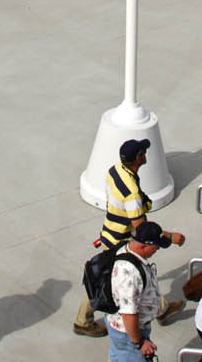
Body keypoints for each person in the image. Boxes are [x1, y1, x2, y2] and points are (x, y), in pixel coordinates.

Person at [72, 138, 186, 336]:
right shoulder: (132, 194)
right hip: (121, 242)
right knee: (121, 281)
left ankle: (161, 309)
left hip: (109, 232)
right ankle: (83, 321)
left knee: (110, 279)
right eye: (143, 152)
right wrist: (169, 237)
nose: (146, 155)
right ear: (138, 158)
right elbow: (141, 229)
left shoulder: (115, 170)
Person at [86, 221, 179, 362]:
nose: (158, 250)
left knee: (114, 360)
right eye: (156, 246)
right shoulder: (129, 272)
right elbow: (129, 315)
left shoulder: (127, 250)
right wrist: (140, 342)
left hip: (117, 327)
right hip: (129, 332)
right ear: (145, 245)